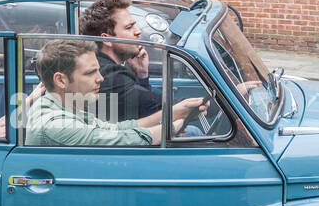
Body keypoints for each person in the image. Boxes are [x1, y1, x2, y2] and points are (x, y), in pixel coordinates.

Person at [27, 39, 204, 147]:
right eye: (90, 73)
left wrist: (175, 113)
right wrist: (175, 126)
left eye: (98, 71)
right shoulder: (56, 124)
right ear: (61, 80)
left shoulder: (67, 106)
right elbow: (121, 139)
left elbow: (117, 129)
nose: (101, 79)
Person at [78, 0, 161, 121]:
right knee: (194, 131)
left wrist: (141, 74)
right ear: (107, 39)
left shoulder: (98, 64)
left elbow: (143, 106)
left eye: (135, 25)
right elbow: (161, 107)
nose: (138, 31)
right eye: (129, 27)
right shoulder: (110, 75)